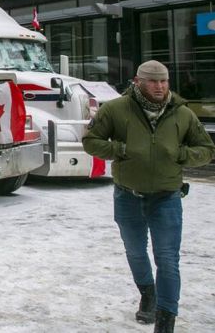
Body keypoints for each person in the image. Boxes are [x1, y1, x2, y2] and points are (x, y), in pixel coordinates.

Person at [83, 60, 215, 333]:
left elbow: (206, 148)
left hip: (167, 197)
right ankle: (148, 294)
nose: (160, 86)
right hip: (127, 196)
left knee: (167, 258)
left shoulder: (182, 113)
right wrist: (118, 149)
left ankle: (166, 321)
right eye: (153, 81)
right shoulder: (116, 109)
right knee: (135, 251)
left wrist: (181, 155)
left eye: (164, 81)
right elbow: (91, 141)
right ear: (138, 82)